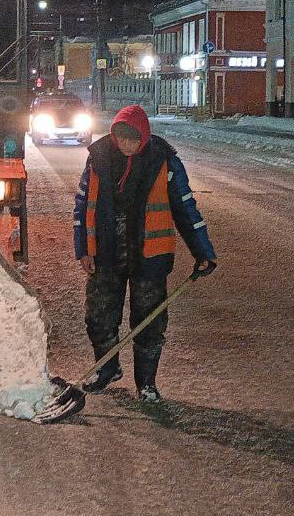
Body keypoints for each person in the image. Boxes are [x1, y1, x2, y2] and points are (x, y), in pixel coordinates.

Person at [73, 103, 217, 403]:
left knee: (149, 321)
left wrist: (203, 251)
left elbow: (185, 208)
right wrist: (84, 249)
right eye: (121, 138)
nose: (126, 144)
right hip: (106, 253)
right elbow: (83, 204)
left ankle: (147, 383)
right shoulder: (99, 158)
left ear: (144, 137)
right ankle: (107, 368)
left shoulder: (163, 161)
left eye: (133, 139)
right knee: (98, 316)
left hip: (149, 257)